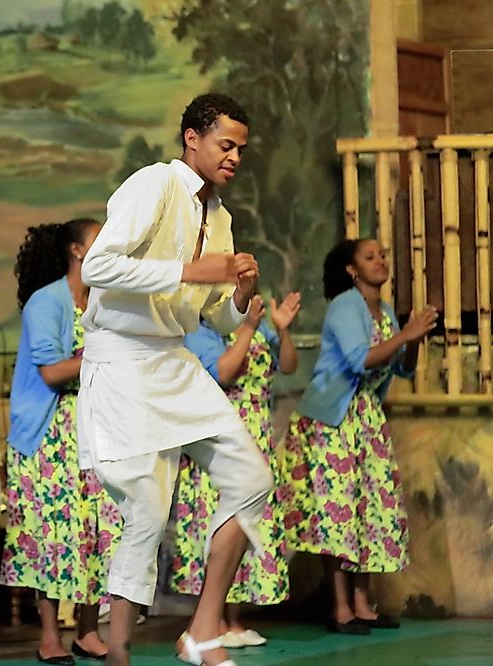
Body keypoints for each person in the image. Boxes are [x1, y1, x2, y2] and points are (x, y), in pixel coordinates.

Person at [76, 92, 274, 666]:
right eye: (225, 144)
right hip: (121, 360)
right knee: (146, 513)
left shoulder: (220, 217)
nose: (234, 157)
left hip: (173, 358)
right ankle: (118, 654)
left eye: (241, 148)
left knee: (253, 477)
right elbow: (97, 266)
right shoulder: (156, 184)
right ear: (193, 138)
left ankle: (203, 628)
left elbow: (218, 313)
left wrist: (238, 297)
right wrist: (189, 269)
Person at [280, 238, 436, 634]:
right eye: (370, 257)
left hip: (366, 418)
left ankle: (364, 604)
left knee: (370, 507)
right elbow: (358, 359)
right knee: (338, 510)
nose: (381, 260)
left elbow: (402, 368)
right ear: (352, 270)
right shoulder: (345, 305)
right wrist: (405, 335)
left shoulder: (382, 310)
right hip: (332, 420)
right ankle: (341, 607)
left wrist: (413, 338)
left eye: (383, 254)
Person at [1, 219, 119, 664]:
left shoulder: (104, 302)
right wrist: (103, 356)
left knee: (96, 530)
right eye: (100, 241)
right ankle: (50, 634)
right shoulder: (46, 302)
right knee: (50, 535)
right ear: (77, 251)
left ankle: (88, 630)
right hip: (49, 436)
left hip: (97, 430)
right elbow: (52, 372)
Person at [171, 291, 301, 648]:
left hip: (257, 429)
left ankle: (234, 620)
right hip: (219, 433)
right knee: (220, 518)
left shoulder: (258, 323)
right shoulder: (199, 328)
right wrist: (248, 326)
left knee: (249, 522)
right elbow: (224, 373)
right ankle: (211, 621)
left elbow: (288, 366)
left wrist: (283, 331)